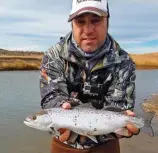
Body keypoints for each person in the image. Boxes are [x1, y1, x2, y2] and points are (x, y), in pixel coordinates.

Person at [39, 0, 139, 152]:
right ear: (72, 23)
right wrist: (61, 108)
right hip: (64, 145)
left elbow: (119, 106)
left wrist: (120, 126)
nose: (88, 29)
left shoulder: (124, 62)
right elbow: (51, 97)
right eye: (80, 21)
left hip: (106, 145)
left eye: (95, 20)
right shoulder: (53, 56)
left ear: (107, 21)